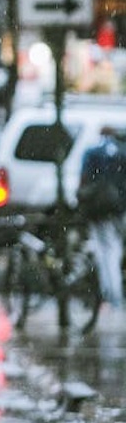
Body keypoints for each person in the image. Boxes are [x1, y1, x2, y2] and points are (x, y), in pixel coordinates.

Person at [77, 126, 126, 308]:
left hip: (99, 209)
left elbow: (84, 179)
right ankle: (114, 293)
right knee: (114, 249)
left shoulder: (92, 153)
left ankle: (110, 292)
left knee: (104, 250)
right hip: (119, 208)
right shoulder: (122, 152)